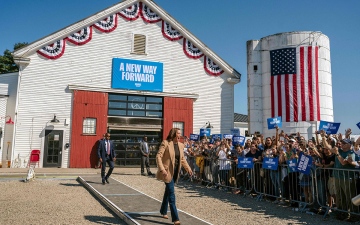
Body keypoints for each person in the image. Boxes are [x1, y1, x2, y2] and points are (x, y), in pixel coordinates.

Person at [156, 128, 193, 225]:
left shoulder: (181, 145)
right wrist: (162, 169)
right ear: (173, 134)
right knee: (172, 194)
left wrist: (188, 168)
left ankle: (163, 211)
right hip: (167, 172)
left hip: (175, 172)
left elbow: (182, 159)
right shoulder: (166, 143)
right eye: (178, 133)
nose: (180, 135)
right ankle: (176, 219)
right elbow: (158, 156)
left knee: (168, 192)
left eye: (180, 133)